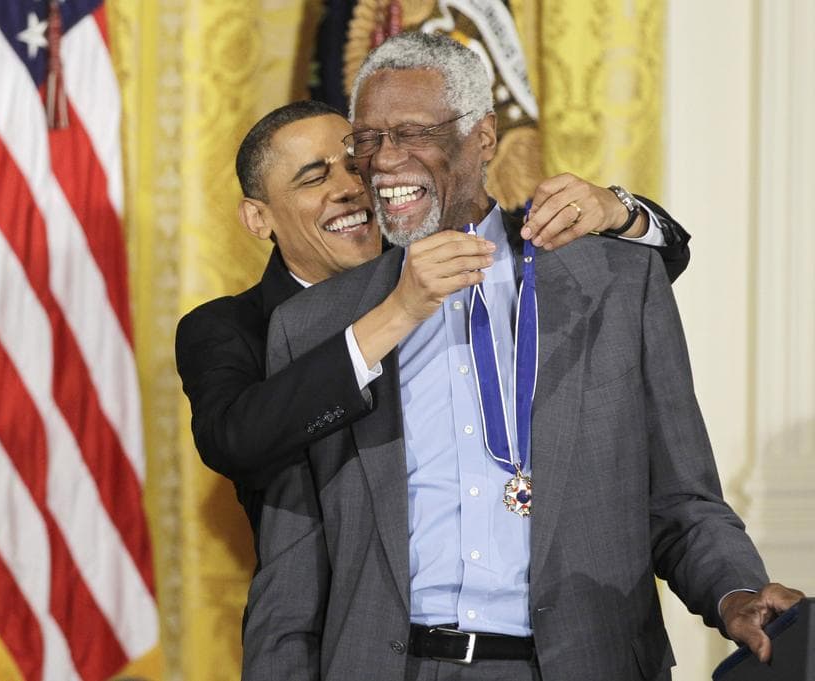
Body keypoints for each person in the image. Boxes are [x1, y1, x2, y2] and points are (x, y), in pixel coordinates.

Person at [244, 32, 803, 681]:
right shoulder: (322, 326)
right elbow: (290, 575)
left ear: (482, 139)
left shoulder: (613, 285)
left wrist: (735, 591)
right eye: (366, 138)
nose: (383, 161)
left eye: (411, 132)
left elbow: (682, 501)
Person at [175, 101, 690, 551]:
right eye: (314, 177)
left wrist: (619, 211)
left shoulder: (437, 256)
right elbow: (235, 441)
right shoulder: (230, 328)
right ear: (257, 218)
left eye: (357, 166)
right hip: (339, 637)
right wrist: (398, 313)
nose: (351, 188)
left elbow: (638, 274)